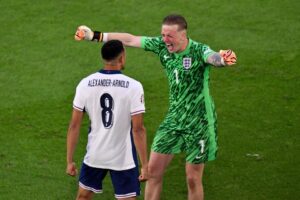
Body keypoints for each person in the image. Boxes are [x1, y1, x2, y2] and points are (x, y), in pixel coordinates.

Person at [74, 14, 237, 200]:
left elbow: (212, 57)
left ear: (183, 35)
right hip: (173, 120)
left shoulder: (199, 50)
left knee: (192, 178)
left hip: (199, 123)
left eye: (170, 36)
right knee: (152, 172)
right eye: (163, 35)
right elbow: (130, 39)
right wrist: (95, 36)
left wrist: (222, 59)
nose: (165, 40)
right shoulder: (161, 46)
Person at [66, 40, 148, 200]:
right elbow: (138, 129)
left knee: (83, 197)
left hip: (95, 154)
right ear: (122, 57)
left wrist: (69, 161)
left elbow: (74, 125)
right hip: (123, 158)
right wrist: (145, 165)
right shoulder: (134, 86)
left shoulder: (85, 84)